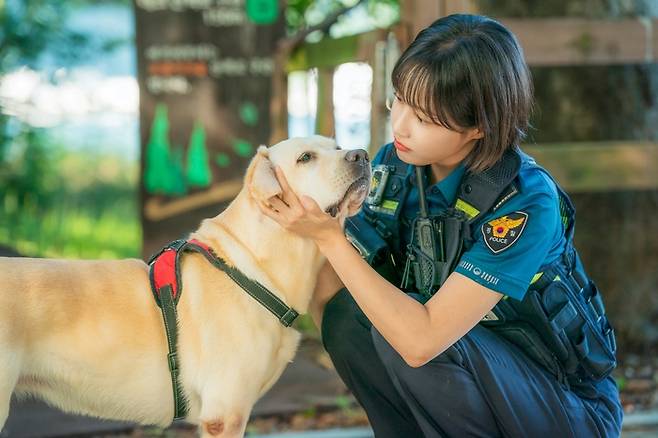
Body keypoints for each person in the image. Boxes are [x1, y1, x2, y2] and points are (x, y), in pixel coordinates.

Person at [258, 14, 623, 438]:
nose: (400, 125)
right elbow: (348, 292)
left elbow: (421, 342)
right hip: (476, 380)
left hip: (566, 407)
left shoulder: (525, 202)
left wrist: (329, 239)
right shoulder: (396, 167)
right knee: (347, 318)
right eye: (399, 99)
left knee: (417, 345)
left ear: (478, 126)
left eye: (425, 118)